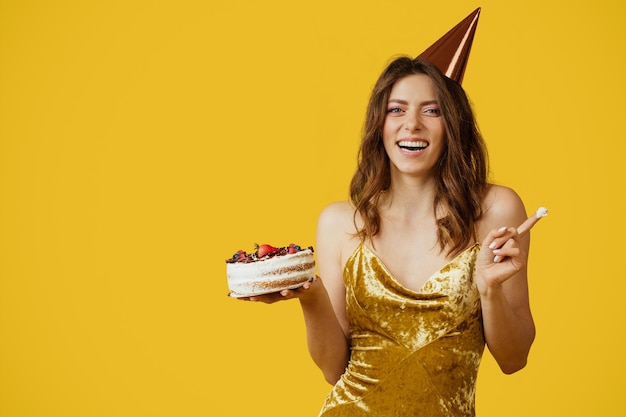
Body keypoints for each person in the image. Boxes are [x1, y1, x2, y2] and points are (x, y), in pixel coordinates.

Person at [245, 55, 536, 416]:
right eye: (396, 110)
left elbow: (515, 358)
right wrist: (311, 294)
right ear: (378, 125)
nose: (411, 125)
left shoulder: (496, 210)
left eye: (432, 111)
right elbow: (334, 370)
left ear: (453, 123)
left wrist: (489, 290)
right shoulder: (340, 222)